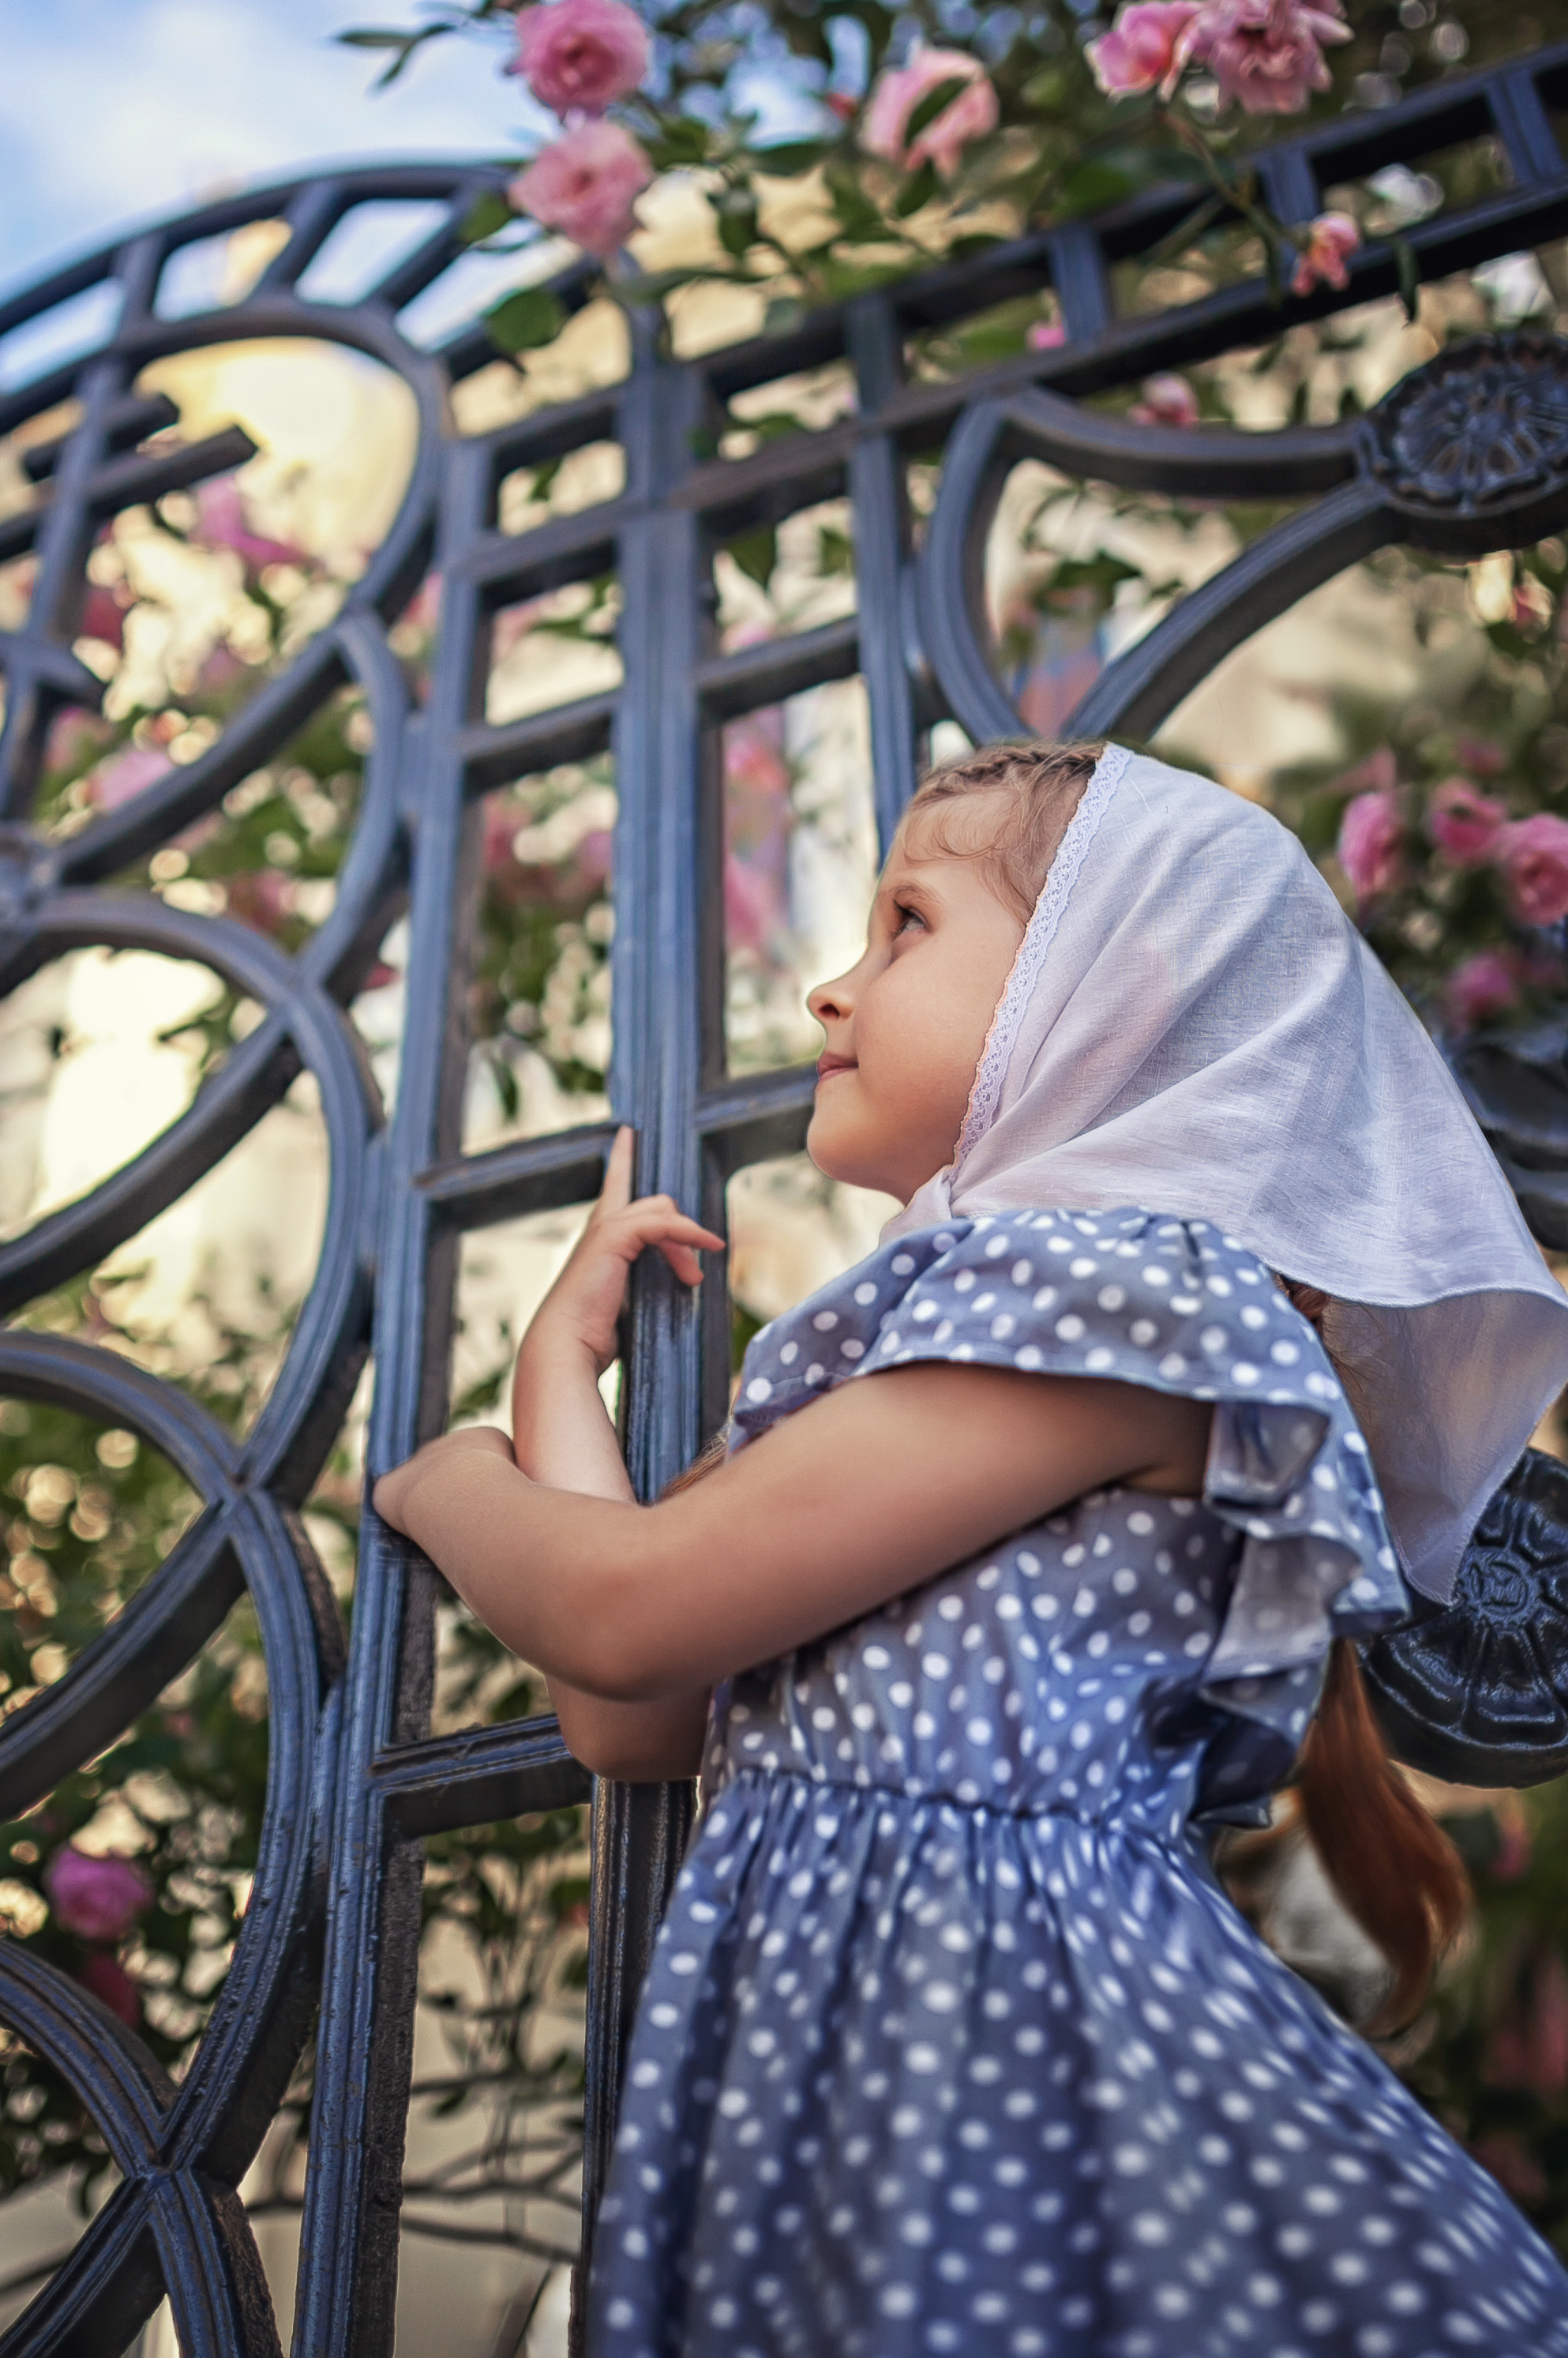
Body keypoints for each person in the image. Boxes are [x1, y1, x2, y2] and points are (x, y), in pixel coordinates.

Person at [374, 740, 1568, 2356]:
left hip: (1010, 2034)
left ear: (1114, 993)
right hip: (860, 2052)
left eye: (905, 926)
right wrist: (551, 1374)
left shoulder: (1120, 1299)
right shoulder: (950, 1331)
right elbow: (632, 1712)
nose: (829, 986)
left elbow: (624, 1611)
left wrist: (446, 1479)